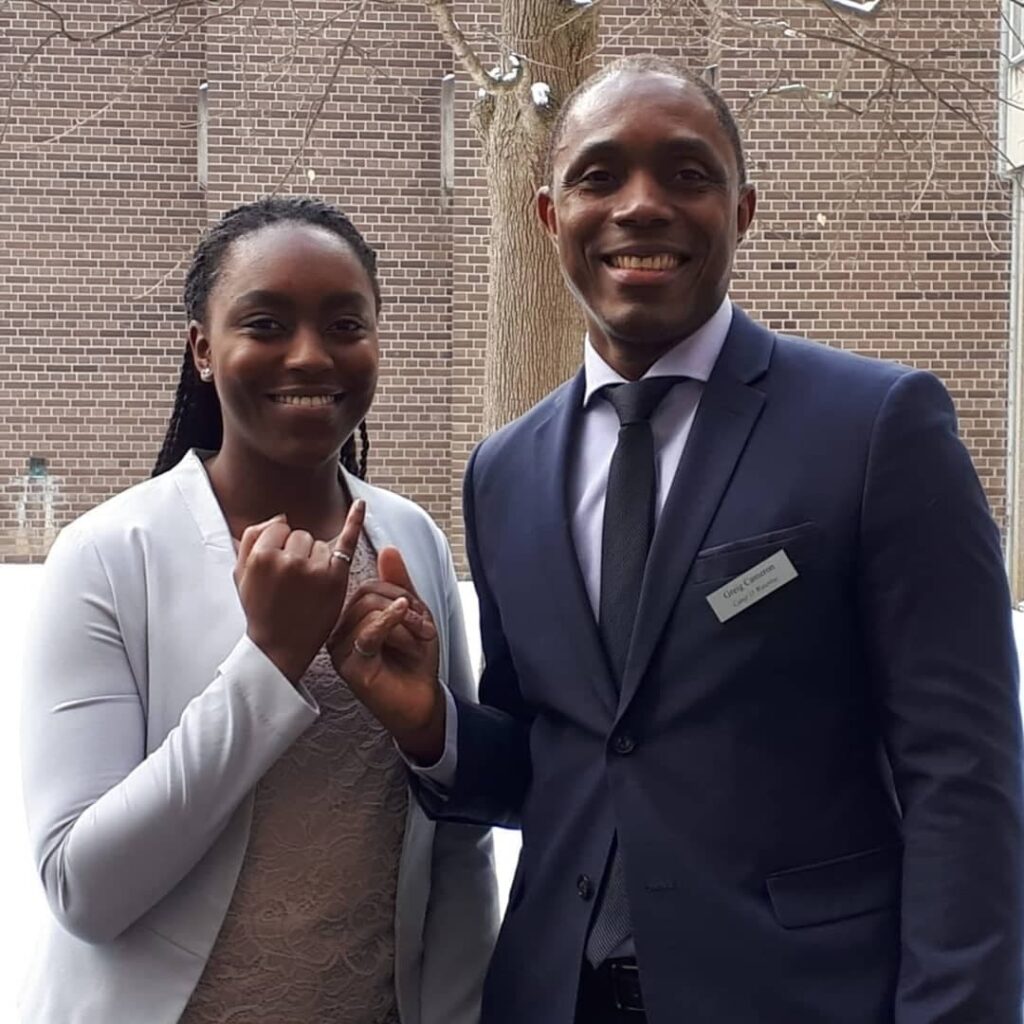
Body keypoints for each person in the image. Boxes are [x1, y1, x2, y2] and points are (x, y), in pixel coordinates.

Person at [342, 56, 1024, 1023]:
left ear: (742, 211)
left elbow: (966, 778)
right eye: (601, 175)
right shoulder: (506, 474)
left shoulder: (875, 430)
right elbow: (567, 767)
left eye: (688, 174)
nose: (642, 205)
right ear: (550, 217)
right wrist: (430, 725)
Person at [19, 196, 498, 1024]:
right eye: (267, 325)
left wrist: (430, 732)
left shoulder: (410, 539)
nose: (311, 357)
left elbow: (456, 847)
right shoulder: (108, 556)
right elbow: (82, 890)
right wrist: (269, 660)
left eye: (346, 325)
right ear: (204, 349)